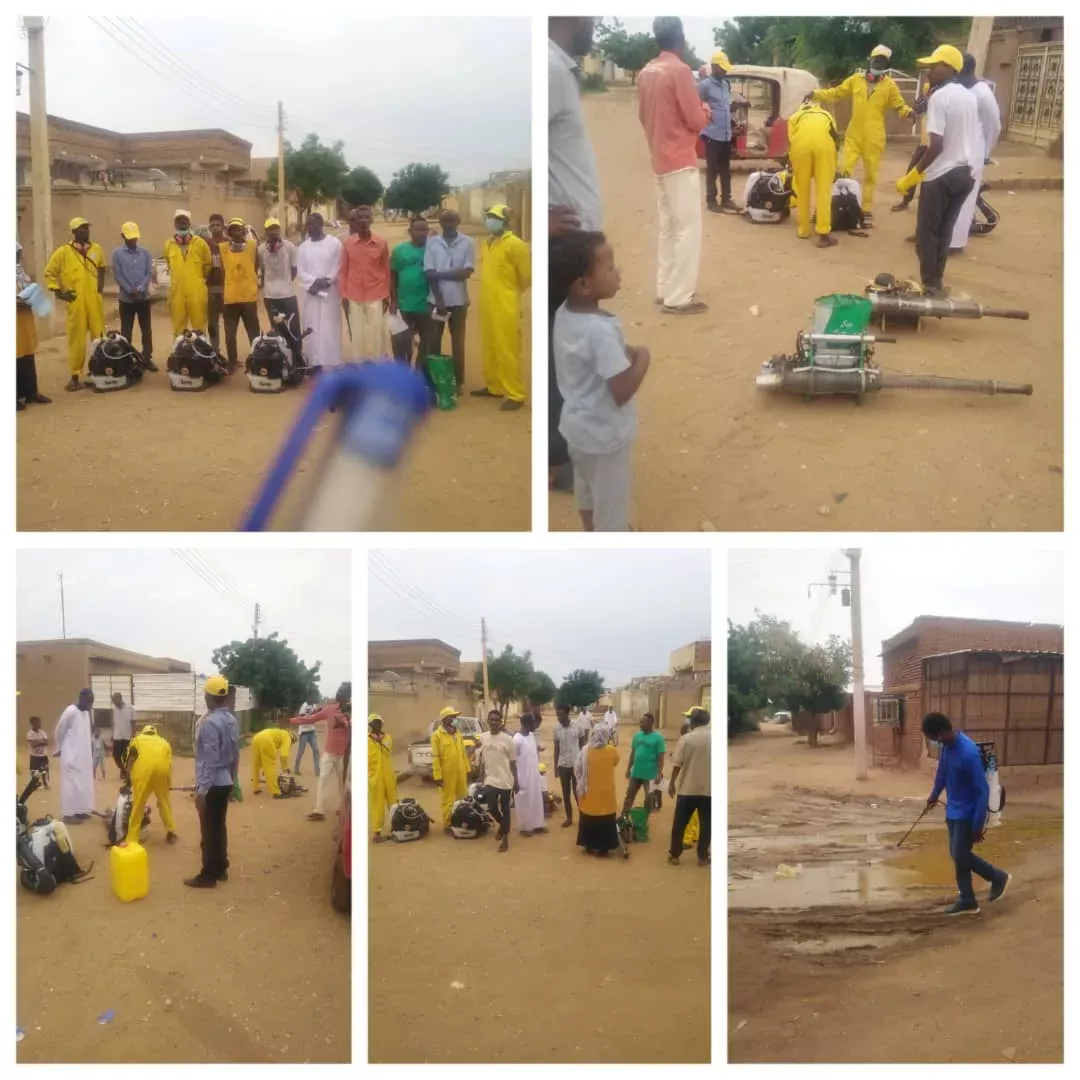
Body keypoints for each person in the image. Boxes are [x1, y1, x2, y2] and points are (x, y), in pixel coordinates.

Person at [553, 229, 649, 532]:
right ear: (583, 284)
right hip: (605, 436)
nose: (617, 273)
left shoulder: (564, 314)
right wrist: (644, 357)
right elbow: (621, 390)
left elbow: (591, 361)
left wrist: (621, 354)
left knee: (586, 489)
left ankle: (591, 531)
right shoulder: (599, 332)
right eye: (608, 268)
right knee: (611, 506)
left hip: (577, 430)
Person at [549, 15, 604, 494]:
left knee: (571, 347)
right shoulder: (547, 66)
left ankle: (565, 455)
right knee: (567, 353)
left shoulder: (558, 67)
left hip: (575, 238)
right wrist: (548, 221)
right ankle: (560, 458)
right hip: (565, 242)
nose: (595, 19)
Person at [637, 17, 710, 315]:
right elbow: (695, 119)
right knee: (687, 230)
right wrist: (706, 110)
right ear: (680, 38)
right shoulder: (679, 71)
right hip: (680, 160)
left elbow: (643, 115)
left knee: (668, 228)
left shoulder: (646, 72)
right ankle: (679, 297)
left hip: (660, 159)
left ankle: (665, 287)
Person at [896, 45, 978, 295]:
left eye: (935, 66)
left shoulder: (939, 97)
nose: (929, 71)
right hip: (965, 174)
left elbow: (936, 145)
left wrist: (913, 175)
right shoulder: (969, 96)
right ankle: (936, 282)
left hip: (941, 175)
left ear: (949, 68)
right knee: (944, 233)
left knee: (926, 235)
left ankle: (930, 285)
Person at [921, 712, 1011, 914]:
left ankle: (997, 877)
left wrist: (978, 824)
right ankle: (968, 900)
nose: (934, 743)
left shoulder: (968, 753)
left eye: (934, 739)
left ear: (942, 732)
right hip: (953, 810)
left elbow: (982, 792)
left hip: (968, 813)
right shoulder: (946, 748)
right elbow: (942, 775)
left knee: (960, 853)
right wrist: (933, 796)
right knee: (957, 855)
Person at [811, 44, 912, 220]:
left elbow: (899, 105)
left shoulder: (890, 86)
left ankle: (865, 209)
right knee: (843, 171)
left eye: (883, 61)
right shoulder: (855, 80)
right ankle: (835, 204)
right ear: (869, 60)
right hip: (853, 136)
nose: (879, 64)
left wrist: (909, 112)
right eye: (876, 60)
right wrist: (815, 94)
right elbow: (836, 93)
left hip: (874, 138)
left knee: (871, 176)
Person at [475, 204, 531, 410]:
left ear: (505, 222)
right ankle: (494, 386)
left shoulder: (516, 245)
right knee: (489, 345)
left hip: (506, 303)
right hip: (487, 301)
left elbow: (527, 276)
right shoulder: (487, 243)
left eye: (494, 218)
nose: (490, 221)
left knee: (508, 348)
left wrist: (510, 292)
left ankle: (515, 394)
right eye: (488, 217)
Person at [188, 675, 240, 888]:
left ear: (209, 697)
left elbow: (208, 761)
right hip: (225, 781)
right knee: (219, 827)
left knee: (209, 831)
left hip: (212, 784)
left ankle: (208, 875)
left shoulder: (210, 723)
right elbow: (236, 754)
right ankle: (221, 868)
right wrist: (233, 782)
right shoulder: (231, 720)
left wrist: (201, 792)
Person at [43, 218, 106, 392]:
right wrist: (59, 292)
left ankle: (97, 372)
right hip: (75, 301)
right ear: (74, 232)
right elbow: (49, 272)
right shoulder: (63, 252)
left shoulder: (97, 249)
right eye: (81, 229)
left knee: (98, 337)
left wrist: (99, 288)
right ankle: (75, 375)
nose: (85, 231)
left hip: (94, 301)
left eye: (87, 227)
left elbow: (102, 267)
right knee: (76, 339)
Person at [949, 53, 1002, 254]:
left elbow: (994, 126)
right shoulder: (956, 90)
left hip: (973, 153)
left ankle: (955, 243)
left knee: (966, 198)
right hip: (952, 152)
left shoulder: (982, 93)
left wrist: (985, 150)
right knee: (947, 197)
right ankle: (943, 237)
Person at [424, 210, 475, 392]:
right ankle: (436, 380)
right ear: (440, 222)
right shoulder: (432, 243)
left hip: (459, 301)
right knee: (434, 342)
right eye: (445, 221)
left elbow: (467, 273)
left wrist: (439, 274)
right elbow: (429, 274)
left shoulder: (468, 243)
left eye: (452, 220)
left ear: (458, 221)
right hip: (436, 301)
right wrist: (439, 301)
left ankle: (457, 382)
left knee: (458, 343)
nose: (448, 224)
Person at [339, 205, 391, 361]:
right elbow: (343, 270)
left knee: (378, 332)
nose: (363, 221)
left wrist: (387, 295)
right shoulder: (348, 243)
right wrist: (344, 295)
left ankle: (378, 365)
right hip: (354, 294)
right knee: (357, 334)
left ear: (371, 220)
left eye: (366, 217)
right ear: (355, 222)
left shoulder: (381, 242)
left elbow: (386, 269)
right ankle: (359, 366)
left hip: (376, 293)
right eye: (360, 218)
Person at [787, 101, 841, 247]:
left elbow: (791, 141)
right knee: (823, 191)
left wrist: (792, 162)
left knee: (802, 190)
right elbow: (836, 140)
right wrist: (834, 167)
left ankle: (804, 230)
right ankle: (823, 233)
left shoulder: (794, 117)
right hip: (824, 149)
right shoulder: (827, 115)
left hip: (800, 148)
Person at [297, 213, 343, 371]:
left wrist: (327, 280)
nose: (310, 228)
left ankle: (332, 361)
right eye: (308, 225)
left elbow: (338, 265)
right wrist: (314, 283)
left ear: (321, 224)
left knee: (330, 327)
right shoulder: (303, 247)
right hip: (311, 293)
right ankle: (314, 362)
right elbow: (301, 271)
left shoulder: (335, 243)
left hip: (330, 292)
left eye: (313, 224)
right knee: (312, 326)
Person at [111, 222, 157, 371]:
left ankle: (147, 358)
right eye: (129, 238)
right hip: (126, 299)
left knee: (146, 330)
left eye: (135, 238)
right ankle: (126, 359)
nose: (132, 241)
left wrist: (140, 288)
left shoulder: (145, 252)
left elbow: (149, 272)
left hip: (143, 298)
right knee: (126, 330)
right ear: (123, 236)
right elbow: (117, 275)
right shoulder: (117, 254)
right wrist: (129, 289)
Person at [123, 724, 179, 846]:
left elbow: (131, 759)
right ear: (155, 733)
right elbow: (169, 765)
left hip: (143, 773)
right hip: (161, 773)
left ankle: (132, 838)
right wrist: (166, 787)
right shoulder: (164, 742)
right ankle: (170, 832)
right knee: (164, 802)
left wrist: (128, 776)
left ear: (144, 732)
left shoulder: (137, 740)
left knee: (138, 804)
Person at [668, 707, 711, 866]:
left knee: (679, 824)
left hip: (688, 789)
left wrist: (672, 782)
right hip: (709, 790)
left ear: (692, 722)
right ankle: (703, 857)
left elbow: (677, 763)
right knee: (706, 826)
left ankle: (675, 855)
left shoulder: (686, 739)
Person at [258, 217, 302, 369]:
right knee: (277, 330)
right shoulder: (261, 249)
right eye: (270, 229)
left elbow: (294, 269)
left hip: (288, 295)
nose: (274, 232)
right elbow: (262, 270)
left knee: (293, 329)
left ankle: (297, 361)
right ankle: (281, 361)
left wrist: (285, 283)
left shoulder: (290, 247)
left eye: (276, 228)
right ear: (266, 232)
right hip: (270, 297)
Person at [698, 49, 739, 213]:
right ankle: (711, 200)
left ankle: (726, 199)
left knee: (725, 170)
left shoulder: (725, 84)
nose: (725, 71)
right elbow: (697, 106)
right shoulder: (704, 86)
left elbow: (725, 105)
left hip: (726, 134)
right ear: (714, 67)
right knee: (712, 169)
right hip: (711, 135)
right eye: (722, 68)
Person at [389, 216, 433, 366]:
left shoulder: (433, 250)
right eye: (419, 229)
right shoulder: (399, 251)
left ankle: (420, 374)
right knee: (401, 342)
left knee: (426, 343)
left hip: (426, 305)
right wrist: (394, 301)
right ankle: (403, 374)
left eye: (425, 230)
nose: (423, 233)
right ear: (410, 231)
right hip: (404, 304)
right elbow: (393, 276)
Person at [307, 681, 352, 821]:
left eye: (345, 693)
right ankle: (319, 810)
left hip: (345, 754)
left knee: (343, 782)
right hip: (329, 752)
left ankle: (342, 807)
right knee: (323, 779)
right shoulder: (330, 709)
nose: (341, 696)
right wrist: (296, 720)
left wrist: (344, 723)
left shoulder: (352, 710)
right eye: (340, 693)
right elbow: (313, 718)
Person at [219, 218, 260, 372]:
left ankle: (257, 360)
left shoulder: (252, 246)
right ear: (228, 232)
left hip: (248, 297)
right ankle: (232, 361)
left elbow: (256, 267)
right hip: (230, 298)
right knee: (230, 334)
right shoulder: (223, 248)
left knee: (254, 333)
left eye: (238, 229)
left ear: (243, 231)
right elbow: (223, 272)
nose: (235, 232)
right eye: (232, 230)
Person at [163, 210, 212, 338]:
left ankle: (201, 354)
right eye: (179, 221)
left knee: (199, 326)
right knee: (178, 328)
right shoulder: (168, 245)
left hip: (196, 292)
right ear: (175, 224)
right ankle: (180, 353)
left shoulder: (200, 243)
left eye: (185, 221)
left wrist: (197, 280)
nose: (182, 224)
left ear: (189, 223)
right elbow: (169, 264)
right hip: (177, 292)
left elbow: (207, 265)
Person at [574, 722, 620, 856]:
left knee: (589, 818)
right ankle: (603, 848)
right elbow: (616, 762)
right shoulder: (612, 751)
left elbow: (577, 770)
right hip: (606, 795)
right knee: (605, 820)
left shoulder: (585, 751)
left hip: (589, 794)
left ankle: (588, 845)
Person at [16, 242, 51, 411]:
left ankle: (31, 392)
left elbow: (29, 289)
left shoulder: (20, 273)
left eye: (19, 253)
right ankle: (16, 397)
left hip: (25, 320)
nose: (18, 257)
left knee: (28, 355)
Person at [478, 710, 519, 852]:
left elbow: (513, 762)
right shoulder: (483, 737)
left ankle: (505, 840)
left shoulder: (508, 740)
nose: (494, 722)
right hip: (491, 779)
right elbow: (482, 759)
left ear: (500, 722)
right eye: (491, 719)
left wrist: (517, 781)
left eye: (496, 720)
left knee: (506, 809)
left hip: (506, 779)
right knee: (491, 807)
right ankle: (503, 825)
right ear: (488, 721)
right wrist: (480, 775)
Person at [54, 688, 95, 823]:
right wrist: (59, 747)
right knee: (70, 785)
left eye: (92, 702)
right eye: (88, 702)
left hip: (83, 757)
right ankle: (69, 815)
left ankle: (81, 810)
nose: (90, 705)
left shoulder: (87, 713)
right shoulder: (71, 711)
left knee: (83, 784)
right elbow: (60, 730)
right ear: (81, 699)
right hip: (71, 756)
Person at [431, 706, 469, 831]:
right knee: (448, 799)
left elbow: (463, 752)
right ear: (445, 719)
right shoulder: (437, 735)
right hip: (447, 773)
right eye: (452, 717)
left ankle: (461, 819)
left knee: (462, 796)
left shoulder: (457, 733)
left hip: (460, 771)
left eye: (455, 717)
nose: (455, 719)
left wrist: (467, 768)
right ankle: (447, 823)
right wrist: (437, 776)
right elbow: (435, 757)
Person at [623, 713, 666, 813]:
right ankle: (623, 817)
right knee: (629, 795)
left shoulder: (658, 738)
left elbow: (661, 758)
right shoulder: (637, 736)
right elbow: (633, 753)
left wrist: (659, 774)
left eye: (643, 722)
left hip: (650, 774)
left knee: (649, 798)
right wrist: (628, 768)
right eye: (640, 722)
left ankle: (644, 820)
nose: (640, 724)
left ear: (650, 723)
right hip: (636, 773)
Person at [512, 713, 547, 836]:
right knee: (523, 803)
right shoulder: (516, 740)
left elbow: (532, 749)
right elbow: (512, 761)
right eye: (532, 722)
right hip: (523, 777)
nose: (535, 725)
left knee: (536, 800)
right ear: (525, 724)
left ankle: (537, 824)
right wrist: (515, 780)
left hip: (534, 775)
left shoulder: (531, 735)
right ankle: (524, 828)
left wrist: (539, 748)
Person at [552, 705, 585, 827]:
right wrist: (555, 767)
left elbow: (583, 746)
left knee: (578, 793)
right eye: (557, 715)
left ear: (567, 713)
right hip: (563, 765)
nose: (559, 717)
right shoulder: (556, 728)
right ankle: (569, 818)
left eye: (561, 714)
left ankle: (583, 817)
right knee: (565, 793)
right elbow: (556, 748)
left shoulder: (578, 727)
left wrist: (583, 764)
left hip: (576, 765)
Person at [368, 714, 397, 843]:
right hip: (375, 777)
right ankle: (377, 831)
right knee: (377, 804)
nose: (378, 725)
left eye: (379, 722)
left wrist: (380, 740)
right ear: (370, 725)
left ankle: (396, 826)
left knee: (393, 802)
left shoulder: (388, 738)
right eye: (375, 723)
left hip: (388, 775)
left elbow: (387, 750)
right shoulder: (365, 740)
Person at [203, 212, 227, 350]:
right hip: (210, 289)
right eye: (212, 226)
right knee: (212, 323)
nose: (215, 228)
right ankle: (214, 351)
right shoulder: (204, 244)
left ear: (223, 227)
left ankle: (231, 356)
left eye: (218, 225)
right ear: (209, 228)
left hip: (226, 288)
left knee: (230, 324)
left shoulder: (229, 242)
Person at [250, 724, 294, 798]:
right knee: (270, 766)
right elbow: (284, 755)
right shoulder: (288, 737)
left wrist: (264, 768)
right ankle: (276, 792)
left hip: (256, 738)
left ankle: (255, 788)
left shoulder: (280, 733)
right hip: (266, 740)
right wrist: (284, 768)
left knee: (256, 764)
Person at [291, 703, 321, 777]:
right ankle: (296, 769)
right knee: (301, 752)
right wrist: (312, 713)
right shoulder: (303, 706)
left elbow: (315, 716)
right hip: (304, 732)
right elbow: (301, 717)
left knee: (316, 750)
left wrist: (317, 712)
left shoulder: (313, 705)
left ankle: (318, 771)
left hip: (312, 731)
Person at [111, 691, 136, 774]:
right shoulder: (113, 710)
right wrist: (112, 734)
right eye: (113, 701)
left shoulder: (130, 708)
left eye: (115, 701)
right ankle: (123, 770)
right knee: (115, 756)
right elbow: (113, 723)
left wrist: (133, 735)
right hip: (117, 737)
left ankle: (126, 772)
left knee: (126, 756)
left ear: (120, 699)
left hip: (127, 737)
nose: (114, 703)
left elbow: (133, 722)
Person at [27, 715, 49, 785]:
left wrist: (38, 742)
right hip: (34, 755)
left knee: (44, 770)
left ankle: (45, 783)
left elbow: (47, 742)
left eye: (39, 722)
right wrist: (42, 742)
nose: (39, 724)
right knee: (34, 771)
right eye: (37, 723)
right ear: (32, 724)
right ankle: (35, 783)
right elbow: (33, 745)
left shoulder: (42, 732)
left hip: (43, 755)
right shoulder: (30, 733)